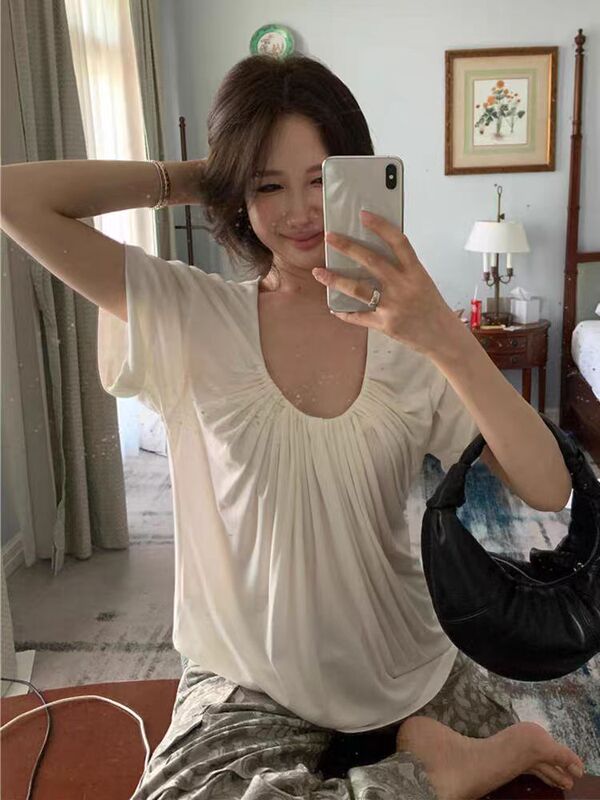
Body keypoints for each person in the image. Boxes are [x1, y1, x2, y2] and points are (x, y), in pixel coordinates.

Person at [0, 54, 581, 800]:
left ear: (356, 176)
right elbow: (16, 197)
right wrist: (200, 176)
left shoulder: (410, 339)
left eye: (321, 180)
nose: (301, 211)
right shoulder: (191, 314)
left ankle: (432, 757)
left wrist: (445, 335)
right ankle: (429, 773)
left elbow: (547, 487)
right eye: (268, 184)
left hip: (400, 663)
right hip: (252, 677)